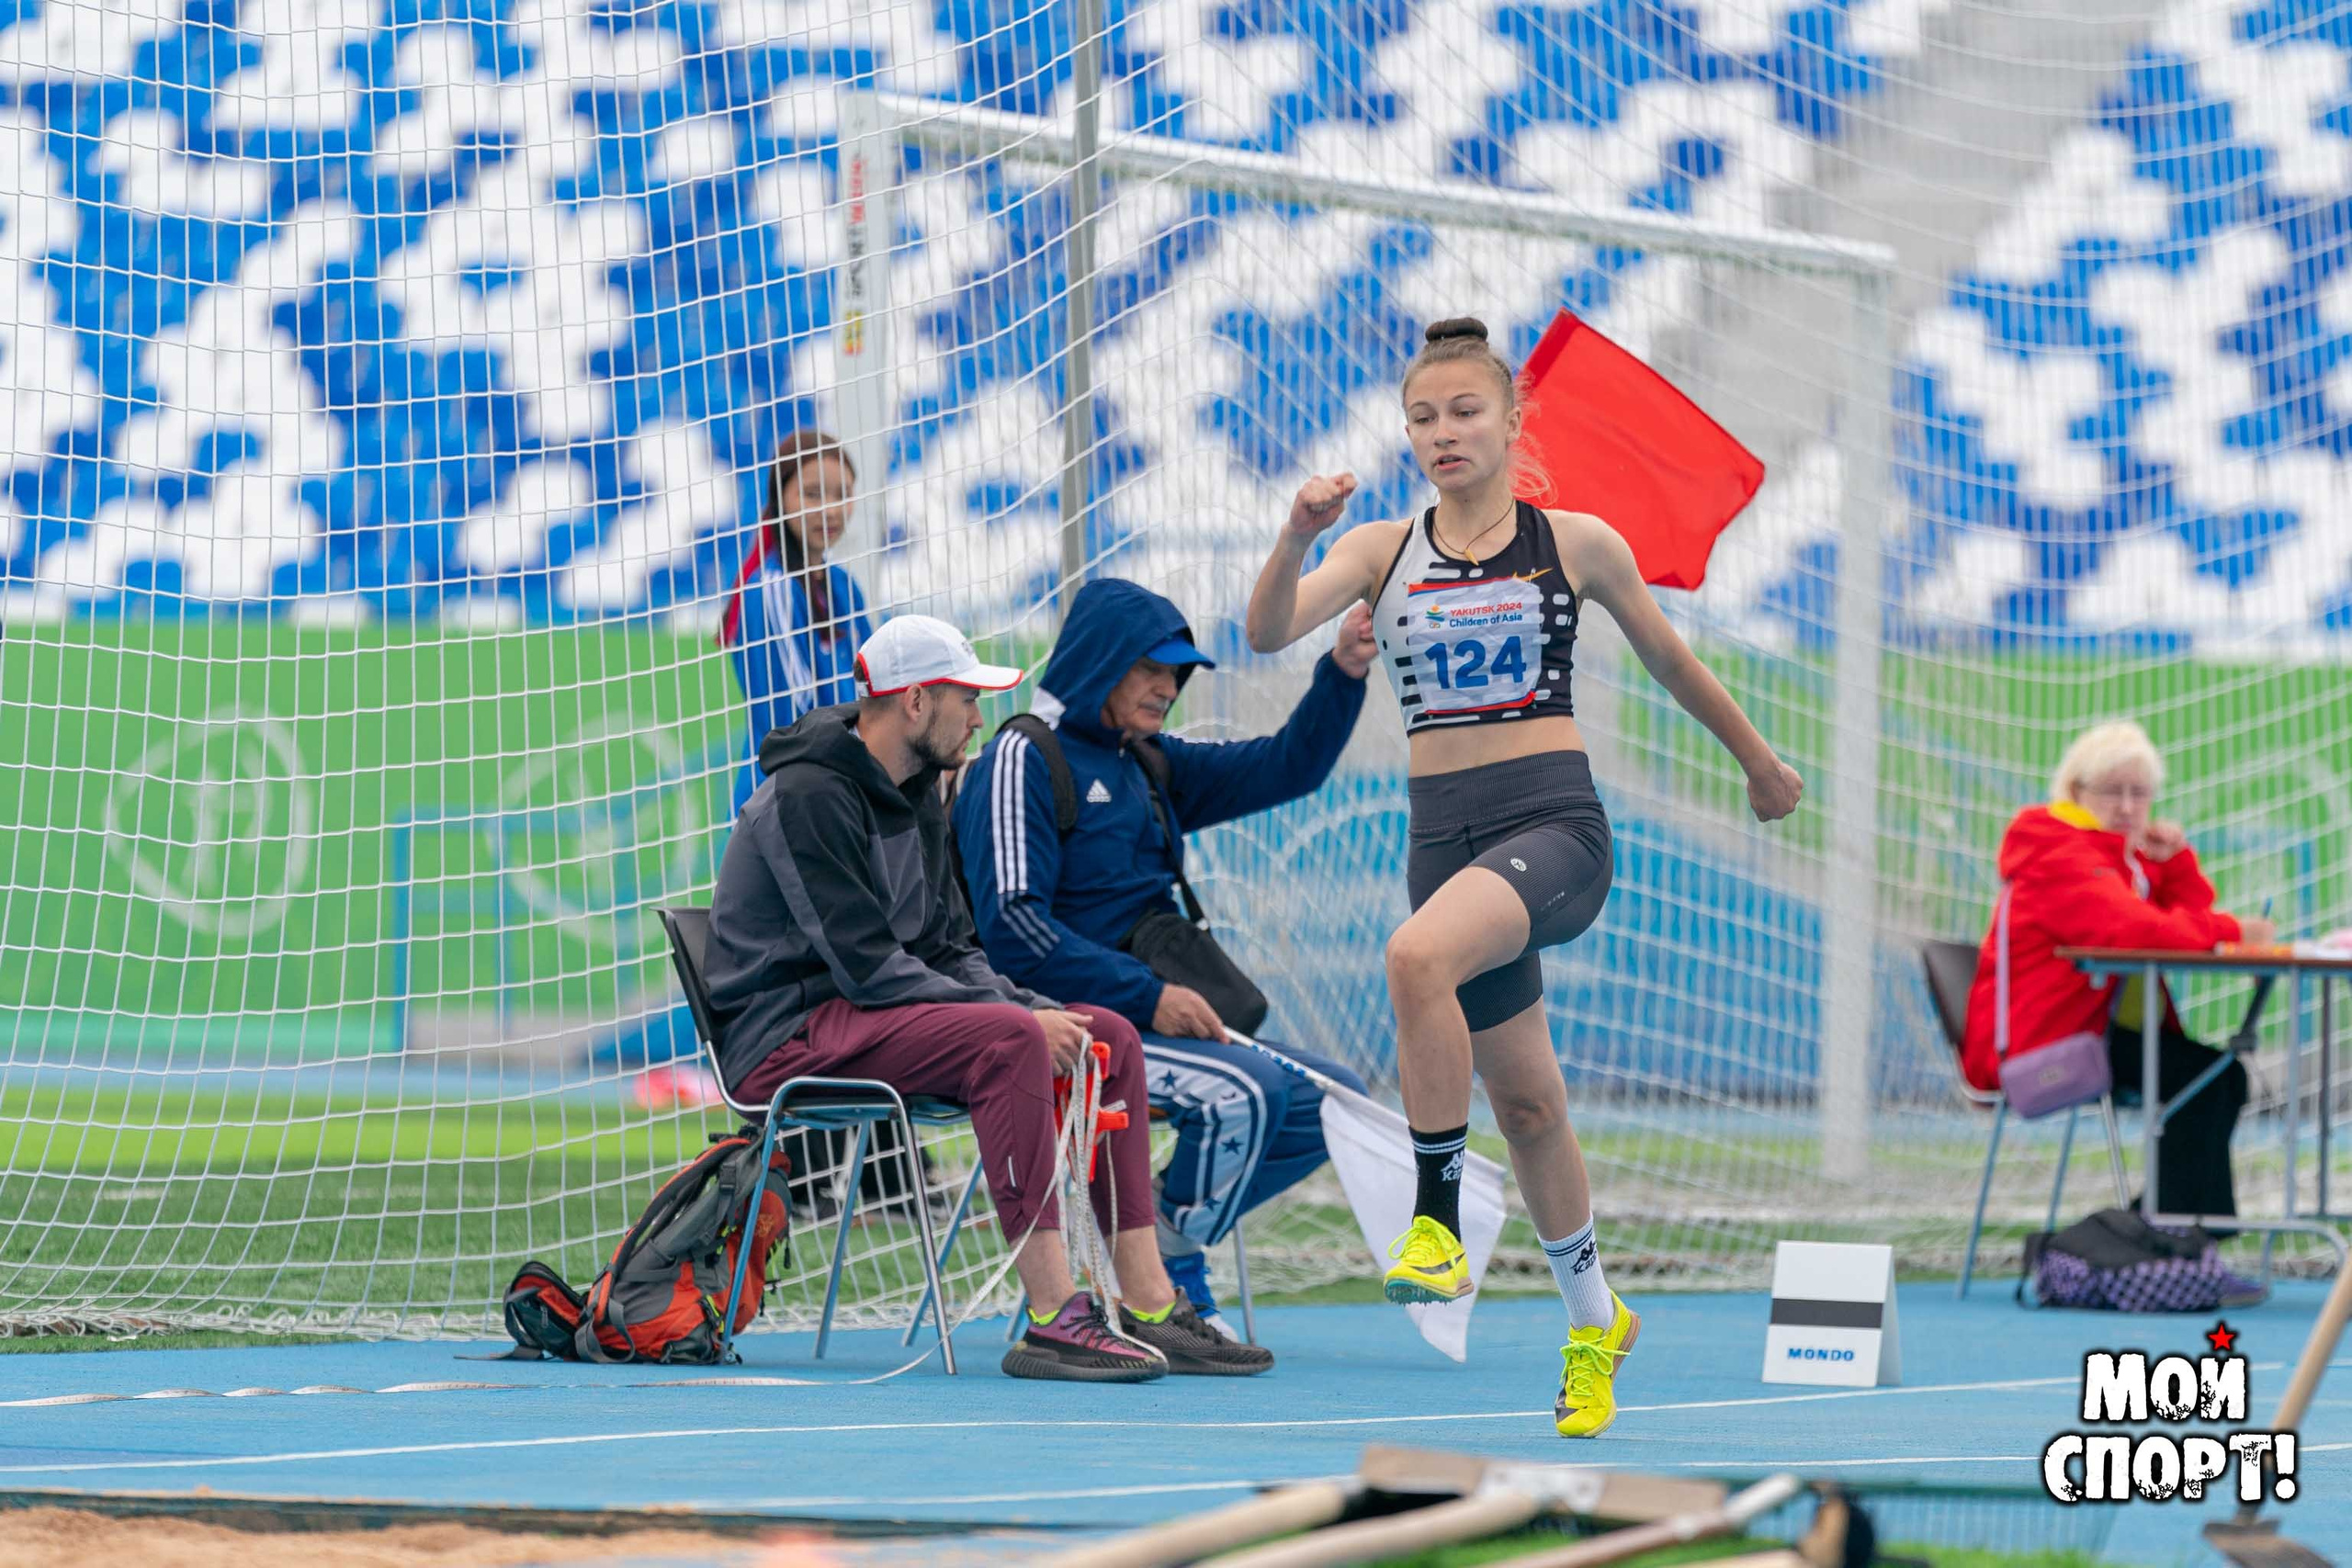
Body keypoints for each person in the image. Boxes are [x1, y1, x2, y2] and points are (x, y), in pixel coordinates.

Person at [1240, 316, 1804, 1438]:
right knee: (1532, 1106)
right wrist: (1296, 535)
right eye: (1421, 418)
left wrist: (1758, 763)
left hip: (1552, 826)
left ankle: (1435, 1225)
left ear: (1510, 421)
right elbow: (1266, 631)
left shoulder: (1575, 542)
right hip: (1442, 842)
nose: (1441, 433)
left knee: (1414, 957)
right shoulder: (1380, 551)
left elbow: (1670, 659)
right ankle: (1596, 1323)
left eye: (1464, 411)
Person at [702, 614, 1269, 1381]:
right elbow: (868, 967)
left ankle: (1149, 1302)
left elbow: (950, 949)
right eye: (966, 699)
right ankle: (1055, 1317)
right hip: (787, 1037)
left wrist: (1028, 1003)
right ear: (914, 701)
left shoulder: (918, 790)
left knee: (1108, 1035)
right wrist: (1018, 1017)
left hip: (867, 1019)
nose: (978, 718)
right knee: (1011, 1037)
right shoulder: (808, 793)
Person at [955, 575, 1373, 1337]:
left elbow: (1287, 766)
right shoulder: (1023, 754)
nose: (1168, 688)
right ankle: (1165, 1280)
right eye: (1149, 668)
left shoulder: (1147, 762)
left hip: (1144, 1015)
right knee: (1245, 1093)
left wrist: (1341, 673)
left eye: (1177, 673)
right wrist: (1148, 996)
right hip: (1063, 1026)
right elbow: (1013, 930)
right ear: (1098, 661)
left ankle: (1155, 1244)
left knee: (1336, 1102)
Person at [1962, 719, 2274, 1224]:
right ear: (2076, 792)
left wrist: (2173, 863)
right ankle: (2172, 1232)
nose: (2128, 807)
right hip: (2044, 1044)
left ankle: (2175, 1230)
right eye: (2112, 791)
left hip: (2092, 1031)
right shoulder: (2058, 852)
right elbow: (2139, 931)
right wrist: (2235, 930)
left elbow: (2183, 914)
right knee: (2207, 1079)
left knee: (2219, 1078)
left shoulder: (2114, 861)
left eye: (2140, 793)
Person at [719, 429, 875, 814]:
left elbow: (874, 689)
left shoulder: (843, 585)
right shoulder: (770, 591)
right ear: (780, 500)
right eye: (813, 494)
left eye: (842, 495)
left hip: (842, 791)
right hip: (784, 806)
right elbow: (797, 723)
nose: (831, 510)